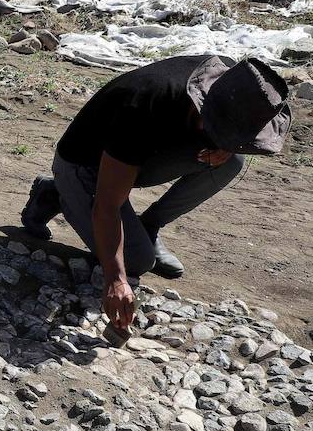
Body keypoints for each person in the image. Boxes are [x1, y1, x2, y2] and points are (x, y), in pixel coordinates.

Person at [20, 54, 290, 330]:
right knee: (136, 260)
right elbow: (108, 205)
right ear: (202, 108)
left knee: (231, 162)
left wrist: (229, 145)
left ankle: (148, 225)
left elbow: (229, 132)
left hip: (137, 158)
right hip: (85, 165)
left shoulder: (232, 88)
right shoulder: (144, 107)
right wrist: (115, 279)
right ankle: (56, 193)